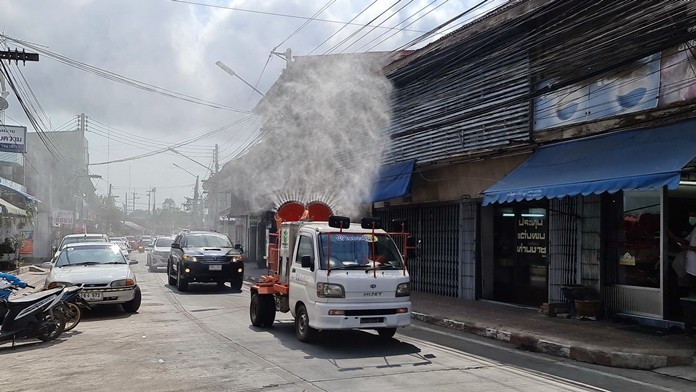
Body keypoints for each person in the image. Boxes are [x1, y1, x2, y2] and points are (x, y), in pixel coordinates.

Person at [669, 209, 696, 295]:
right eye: (690, 217)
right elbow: (685, 241)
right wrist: (672, 236)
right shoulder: (695, 229)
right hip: (690, 269)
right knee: (690, 293)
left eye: (694, 216)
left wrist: (687, 247)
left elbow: (687, 245)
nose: (692, 218)